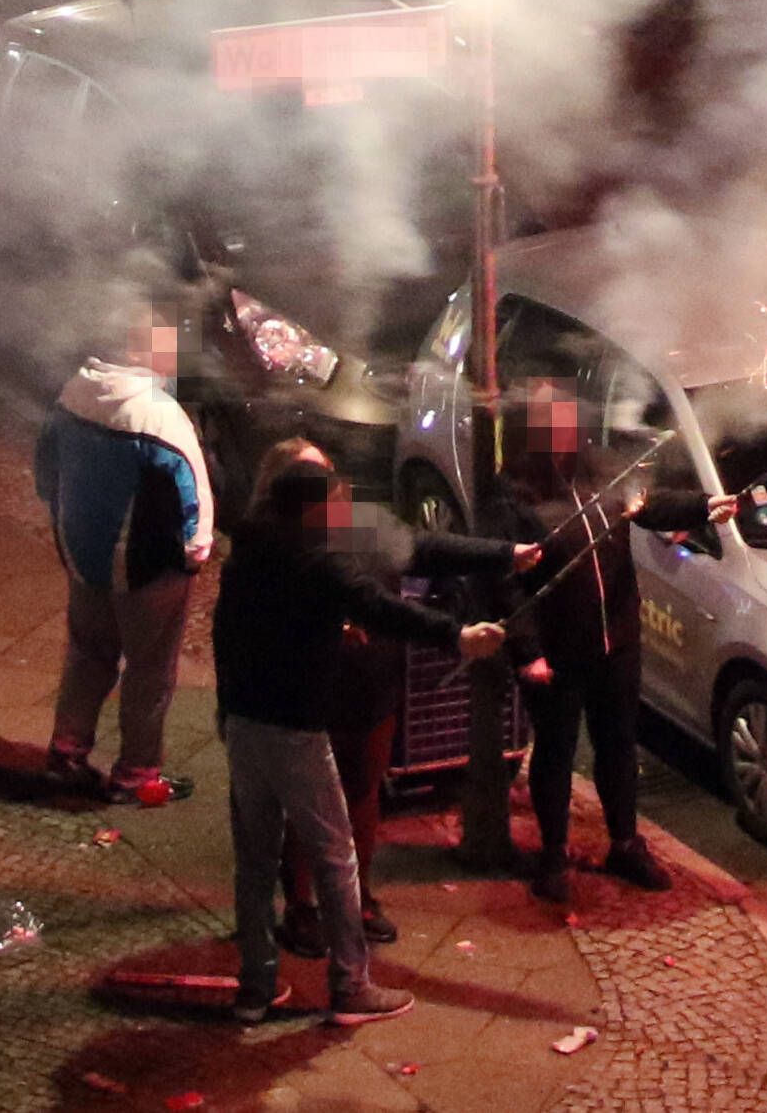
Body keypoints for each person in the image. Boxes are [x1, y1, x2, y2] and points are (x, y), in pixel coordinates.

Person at [213, 450, 504, 1030]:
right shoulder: (318, 565)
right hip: (296, 730)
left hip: (244, 727)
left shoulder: (248, 552)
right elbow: (383, 608)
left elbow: (229, 631)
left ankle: (255, 987)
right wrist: (459, 636)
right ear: (310, 510)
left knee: (254, 861)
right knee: (336, 855)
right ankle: (350, 985)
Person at [258, 436, 522, 956]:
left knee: (363, 792)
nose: (334, 490)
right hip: (310, 697)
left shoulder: (358, 525)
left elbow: (422, 548)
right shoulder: (279, 549)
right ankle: (303, 908)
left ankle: (356, 900)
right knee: (307, 807)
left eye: (329, 475)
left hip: (371, 688)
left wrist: (505, 555)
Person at [32, 311, 215, 807]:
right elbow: (192, 499)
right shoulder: (159, 416)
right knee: (149, 671)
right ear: (140, 351)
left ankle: (66, 752)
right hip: (147, 571)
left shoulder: (73, 392)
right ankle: (136, 772)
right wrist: (194, 557)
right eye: (166, 344)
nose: (174, 354)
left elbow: (45, 469)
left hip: (82, 556)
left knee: (87, 653)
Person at [502, 380, 670, 904]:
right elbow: (503, 583)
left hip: (615, 640)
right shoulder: (514, 495)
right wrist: (528, 652)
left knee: (618, 747)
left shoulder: (602, 470)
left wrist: (706, 506)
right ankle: (553, 854)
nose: (565, 430)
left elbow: (650, 505)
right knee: (555, 751)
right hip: (557, 652)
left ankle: (625, 842)